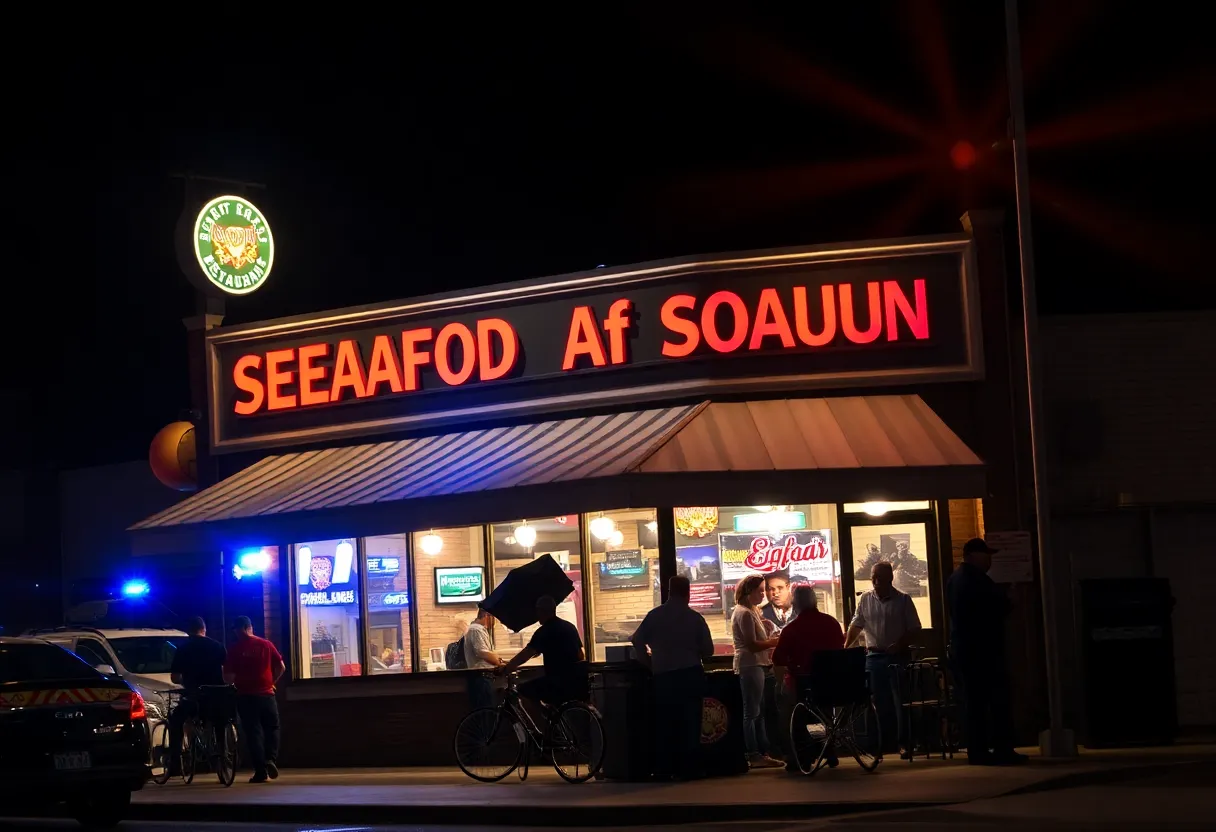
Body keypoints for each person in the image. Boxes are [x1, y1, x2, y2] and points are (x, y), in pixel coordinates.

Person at [946, 538, 1028, 766]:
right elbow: (990, 610)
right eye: (986, 555)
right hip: (982, 651)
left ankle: (980, 749)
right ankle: (996, 750)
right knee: (993, 700)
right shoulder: (975, 580)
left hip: (967, 650)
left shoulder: (957, 579)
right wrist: (1010, 600)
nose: (990, 559)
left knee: (974, 703)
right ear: (973, 555)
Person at [631, 575, 714, 780]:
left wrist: (648, 663)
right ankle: (689, 769)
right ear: (688, 593)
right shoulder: (695, 618)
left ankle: (665, 768)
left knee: (665, 724)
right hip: (690, 674)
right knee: (690, 723)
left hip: (663, 676)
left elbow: (636, 640)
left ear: (668, 592)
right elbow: (709, 651)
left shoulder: (655, 616)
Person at [845, 561, 922, 757]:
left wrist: (900, 644)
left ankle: (904, 743)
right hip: (874, 655)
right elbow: (856, 624)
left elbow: (914, 628)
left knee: (900, 701)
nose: (875, 581)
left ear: (890, 578)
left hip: (897, 656)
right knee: (876, 702)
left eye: (879, 577)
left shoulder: (903, 600)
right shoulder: (864, 599)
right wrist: (846, 647)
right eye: (873, 576)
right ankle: (879, 745)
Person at [772, 586, 845, 770]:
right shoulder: (833, 624)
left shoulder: (791, 629)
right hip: (835, 687)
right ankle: (828, 749)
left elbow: (777, 659)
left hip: (805, 690)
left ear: (795, 605)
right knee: (825, 712)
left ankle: (799, 755)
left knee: (785, 707)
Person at [224, 616, 286, 783]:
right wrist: (272, 682)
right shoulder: (266, 644)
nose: (235, 633)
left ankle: (261, 772)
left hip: (245, 696)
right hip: (267, 694)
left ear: (244, 628)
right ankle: (270, 759)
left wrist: (233, 682)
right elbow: (281, 667)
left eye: (235, 629)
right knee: (272, 728)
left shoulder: (235, 649)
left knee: (253, 733)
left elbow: (228, 677)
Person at [497, 596, 588, 710]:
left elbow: (525, 655)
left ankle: (539, 721)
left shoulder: (544, 631)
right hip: (575, 682)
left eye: (538, 611)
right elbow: (580, 654)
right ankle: (551, 718)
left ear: (542, 611)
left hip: (556, 682)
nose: (536, 615)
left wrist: (507, 668)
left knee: (523, 691)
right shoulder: (569, 627)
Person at [731, 575, 784, 769]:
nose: (763, 594)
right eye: (760, 591)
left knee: (757, 711)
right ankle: (754, 753)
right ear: (748, 591)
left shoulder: (750, 611)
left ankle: (762, 751)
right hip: (751, 664)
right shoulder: (744, 613)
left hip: (756, 664)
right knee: (752, 712)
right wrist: (774, 642)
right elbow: (752, 644)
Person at [166, 616, 227, 776]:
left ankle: (175, 763)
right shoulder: (218, 646)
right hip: (216, 696)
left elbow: (175, 677)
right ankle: (222, 752)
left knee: (175, 720)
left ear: (189, 631)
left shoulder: (183, 649)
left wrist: (185, 680)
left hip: (194, 697)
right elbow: (225, 672)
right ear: (204, 629)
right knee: (220, 720)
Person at [464, 605, 505, 710]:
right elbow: (482, 652)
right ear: (487, 615)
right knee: (486, 711)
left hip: (482, 678)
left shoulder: (478, 629)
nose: (495, 621)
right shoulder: (476, 630)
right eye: (494, 617)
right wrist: (499, 663)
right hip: (481, 677)